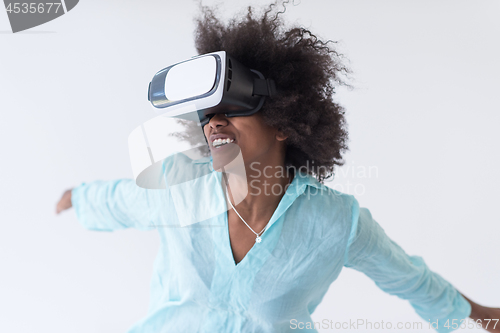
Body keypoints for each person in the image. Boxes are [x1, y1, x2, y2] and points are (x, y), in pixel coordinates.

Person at [56, 1, 499, 332]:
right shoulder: (178, 184)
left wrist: (481, 315)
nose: (215, 123)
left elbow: (408, 277)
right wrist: (75, 197)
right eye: (206, 114)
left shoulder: (335, 222)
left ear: (284, 122)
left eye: (232, 107)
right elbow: (118, 200)